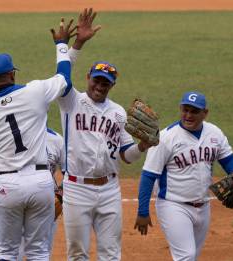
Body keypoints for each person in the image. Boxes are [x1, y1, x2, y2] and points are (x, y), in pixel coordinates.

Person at [0, 16, 76, 260]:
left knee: (6, 252)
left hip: (7, 185)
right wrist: (61, 44)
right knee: (38, 252)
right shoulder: (35, 91)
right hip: (41, 183)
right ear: (13, 75)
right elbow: (65, 80)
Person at [57, 12, 154, 260]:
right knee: (77, 253)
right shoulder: (71, 102)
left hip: (110, 189)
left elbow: (127, 156)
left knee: (111, 254)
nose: (99, 87)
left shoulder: (118, 113)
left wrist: (142, 146)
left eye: (105, 83)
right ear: (88, 78)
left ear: (112, 85)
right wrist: (77, 44)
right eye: (97, 81)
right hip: (76, 188)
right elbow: (62, 77)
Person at [134, 91, 233, 261]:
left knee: (192, 256)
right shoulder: (166, 137)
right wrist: (142, 211)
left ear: (205, 113)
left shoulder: (213, 133)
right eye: (185, 110)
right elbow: (148, 175)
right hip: (173, 205)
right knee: (186, 256)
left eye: (194, 111)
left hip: (203, 206)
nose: (188, 115)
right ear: (180, 109)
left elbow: (228, 158)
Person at [0, 127, 65, 261]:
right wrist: (6, 195)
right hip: (14, 201)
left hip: (44, 204)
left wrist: (60, 197)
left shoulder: (56, 140)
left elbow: (70, 173)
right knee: (13, 254)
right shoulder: (9, 136)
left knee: (40, 253)